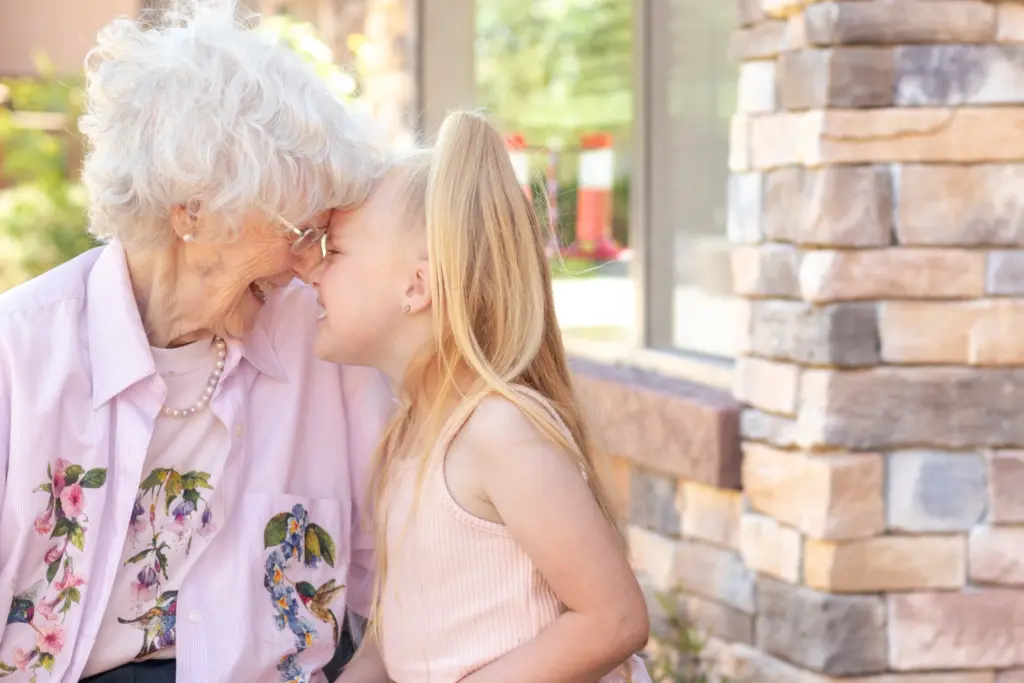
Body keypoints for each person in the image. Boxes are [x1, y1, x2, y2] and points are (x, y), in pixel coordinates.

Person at [0, 2, 393, 682]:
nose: (309, 263)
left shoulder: (326, 347)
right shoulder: (19, 354)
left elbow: (396, 596)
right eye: (297, 231)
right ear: (193, 211)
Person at [311, 110, 652, 683]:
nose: (312, 273)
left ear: (416, 286)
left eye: (335, 252)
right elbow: (388, 648)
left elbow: (613, 619)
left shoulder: (499, 432)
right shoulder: (407, 435)